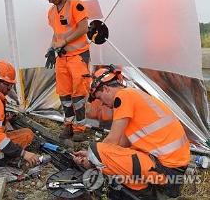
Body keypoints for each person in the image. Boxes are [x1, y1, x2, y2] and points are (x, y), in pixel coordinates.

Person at [73, 65, 190, 199]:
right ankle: (146, 194)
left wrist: (91, 158)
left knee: (97, 150)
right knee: (114, 161)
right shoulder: (134, 96)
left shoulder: (123, 96)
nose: (102, 104)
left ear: (106, 89)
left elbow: (112, 141)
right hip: (172, 169)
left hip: (165, 169)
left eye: (99, 98)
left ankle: (147, 192)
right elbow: (121, 144)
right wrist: (93, 156)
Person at [39, 0, 91, 142]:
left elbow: (83, 28)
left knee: (78, 94)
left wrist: (65, 41)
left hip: (78, 57)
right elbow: (56, 34)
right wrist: (51, 49)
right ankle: (68, 125)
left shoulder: (76, 4)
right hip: (62, 58)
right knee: (64, 94)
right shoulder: (51, 12)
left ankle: (80, 128)